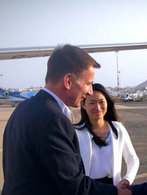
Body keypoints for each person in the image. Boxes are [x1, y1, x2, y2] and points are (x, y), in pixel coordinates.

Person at [2, 45, 118, 194]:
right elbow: (74, 187)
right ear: (68, 80)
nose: (90, 91)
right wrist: (117, 192)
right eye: (88, 83)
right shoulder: (53, 119)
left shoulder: (22, 109)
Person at [74, 83, 139, 186]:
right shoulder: (76, 133)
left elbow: (133, 159)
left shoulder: (118, 129)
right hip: (89, 189)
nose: (98, 107)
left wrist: (127, 180)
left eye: (101, 102)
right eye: (92, 103)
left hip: (113, 188)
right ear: (83, 105)